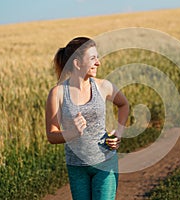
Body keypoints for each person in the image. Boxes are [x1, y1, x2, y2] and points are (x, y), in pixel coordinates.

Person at [45, 37, 129, 200]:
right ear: (77, 63)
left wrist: (118, 133)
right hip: (76, 167)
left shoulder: (103, 86)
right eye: (93, 58)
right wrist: (72, 133)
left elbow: (124, 105)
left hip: (105, 161)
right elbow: (51, 135)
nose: (98, 63)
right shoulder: (58, 93)